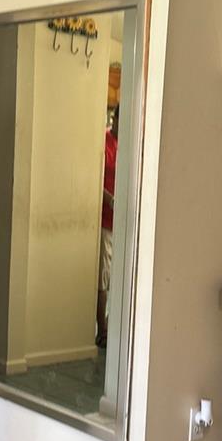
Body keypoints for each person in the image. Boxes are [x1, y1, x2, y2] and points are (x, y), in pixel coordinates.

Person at [96, 106, 119, 347]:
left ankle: (113, 327)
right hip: (104, 220)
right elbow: (94, 177)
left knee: (119, 278)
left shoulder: (130, 145)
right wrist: (110, 200)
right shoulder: (104, 141)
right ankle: (102, 330)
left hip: (122, 223)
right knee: (102, 278)